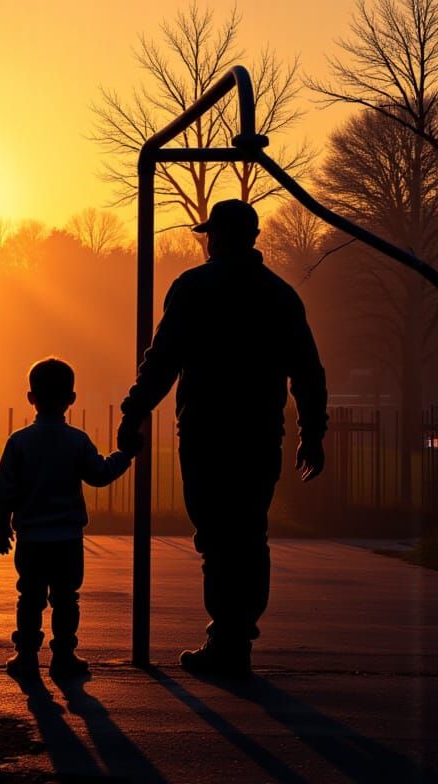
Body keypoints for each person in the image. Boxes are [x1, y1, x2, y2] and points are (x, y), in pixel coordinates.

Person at [117, 199, 328, 678]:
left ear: (218, 237)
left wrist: (135, 411)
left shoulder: (194, 287)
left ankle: (226, 639)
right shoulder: (279, 295)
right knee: (250, 532)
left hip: (206, 430)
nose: (206, 241)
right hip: (258, 433)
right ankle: (237, 638)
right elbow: (307, 371)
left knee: (216, 535)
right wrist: (312, 432)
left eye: (209, 233)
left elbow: (163, 360)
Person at [0, 358, 132, 680]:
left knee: (30, 598)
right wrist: (124, 455)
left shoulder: (19, 442)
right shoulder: (77, 441)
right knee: (66, 599)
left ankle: (26, 655)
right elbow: (99, 474)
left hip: (31, 538)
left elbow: (4, 491)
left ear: (31, 397)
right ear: (71, 399)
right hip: (68, 539)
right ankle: (64, 655)